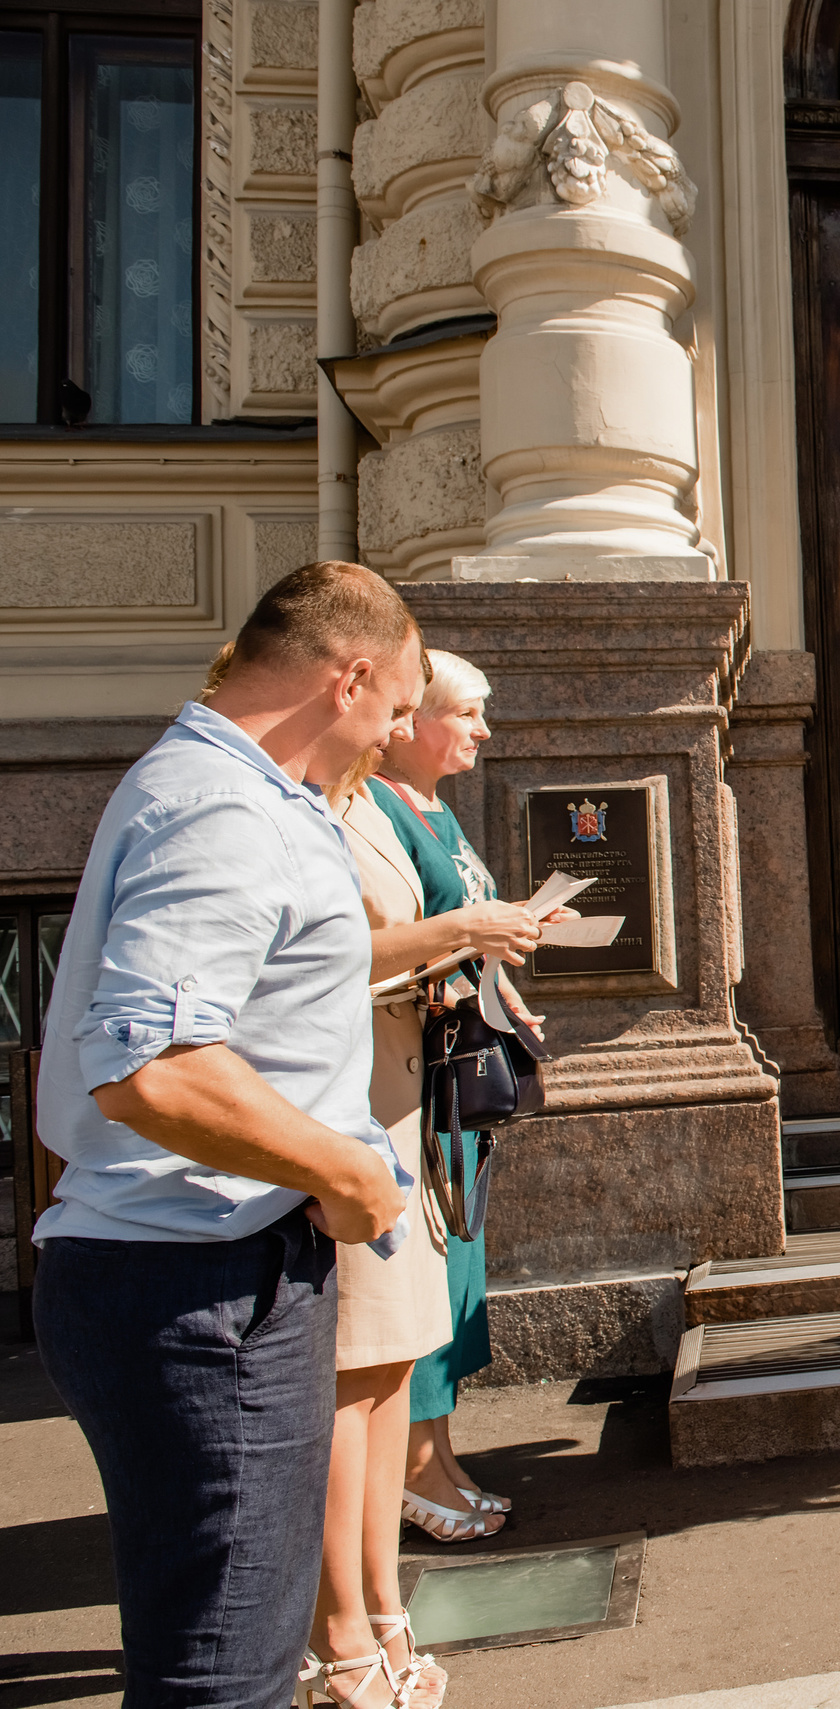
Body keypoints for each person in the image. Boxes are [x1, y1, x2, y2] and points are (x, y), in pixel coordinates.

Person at [32, 560, 416, 1709]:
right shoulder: (224, 803)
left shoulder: (237, 787)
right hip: (204, 1282)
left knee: (225, 1653)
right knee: (224, 1674)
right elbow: (150, 1064)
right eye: (396, 707)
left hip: (199, 1269)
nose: (394, 736)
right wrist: (349, 1171)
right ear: (348, 679)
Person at [305, 754, 485, 1709]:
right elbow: (309, 964)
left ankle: (381, 1610)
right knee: (354, 1367)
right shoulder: (295, 802)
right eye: (400, 700)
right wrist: (460, 933)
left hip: (396, 1090)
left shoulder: (360, 801)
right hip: (344, 1110)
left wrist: (442, 974)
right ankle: (339, 1641)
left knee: (388, 1364)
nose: (402, 724)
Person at [368, 650, 541, 1538]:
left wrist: (503, 969)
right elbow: (400, 940)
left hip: (458, 1069)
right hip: (415, 1076)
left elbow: (461, 938)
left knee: (455, 1263)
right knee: (425, 1266)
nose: (482, 729)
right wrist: (472, 946)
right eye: (466, 712)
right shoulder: (378, 809)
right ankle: (410, 1473)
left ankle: (439, 1456)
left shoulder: (438, 810)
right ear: (413, 720)